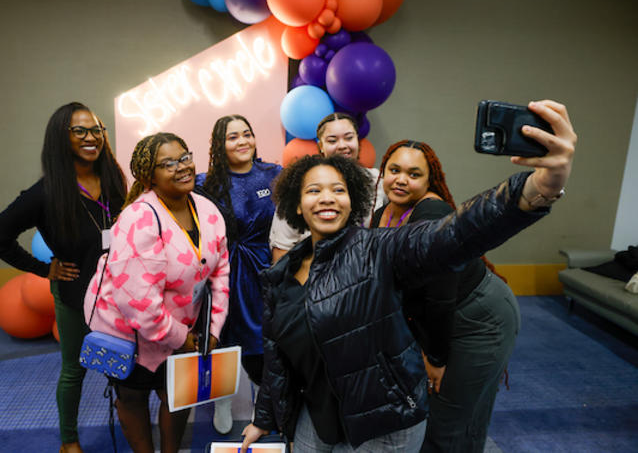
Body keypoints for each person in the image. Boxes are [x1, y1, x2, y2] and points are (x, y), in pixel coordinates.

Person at [241, 100, 576, 452]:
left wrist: (540, 187)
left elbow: (456, 232)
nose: (327, 198)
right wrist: (263, 419)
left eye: (338, 190)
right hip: (320, 412)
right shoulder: (279, 277)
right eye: (314, 190)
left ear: (352, 200)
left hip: (384, 417)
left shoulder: (378, 249)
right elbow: (277, 359)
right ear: (296, 204)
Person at [0, 102, 127, 453]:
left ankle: (130, 423)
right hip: (76, 294)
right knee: (74, 370)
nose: (91, 138)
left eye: (96, 130)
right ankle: (69, 440)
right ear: (61, 138)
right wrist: (43, 269)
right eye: (80, 131)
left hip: (119, 292)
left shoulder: (112, 178)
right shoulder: (45, 192)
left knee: (123, 363)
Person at [84, 132, 230, 453]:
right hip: (129, 333)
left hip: (182, 330)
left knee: (177, 394)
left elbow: (220, 274)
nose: (182, 167)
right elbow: (139, 304)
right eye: (168, 163)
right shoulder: (139, 218)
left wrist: (212, 330)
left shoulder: (206, 210)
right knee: (133, 396)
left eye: (185, 157)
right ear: (149, 175)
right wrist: (184, 339)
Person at [370, 139, 517, 452]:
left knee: (450, 420)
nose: (400, 179)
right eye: (393, 170)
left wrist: (435, 358)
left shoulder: (432, 212)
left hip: (478, 317)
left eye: (413, 174)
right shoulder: (385, 212)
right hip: (446, 314)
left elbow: (439, 294)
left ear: (428, 181)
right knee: (446, 417)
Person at [195, 115, 282, 434]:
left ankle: (262, 401)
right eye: (233, 137)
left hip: (264, 267)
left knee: (262, 338)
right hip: (222, 271)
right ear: (220, 144)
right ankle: (221, 401)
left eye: (247, 134)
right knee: (222, 338)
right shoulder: (205, 182)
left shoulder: (274, 174)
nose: (242, 141)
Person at [269, 112, 387, 262]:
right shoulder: (299, 183)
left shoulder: (376, 181)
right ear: (321, 146)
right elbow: (282, 248)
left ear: (358, 141)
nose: (343, 145)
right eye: (332, 140)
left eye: (349, 138)